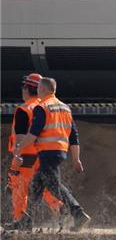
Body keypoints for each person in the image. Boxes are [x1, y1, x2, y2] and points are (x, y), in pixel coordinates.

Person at [14, 77, 90, 231]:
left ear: (42, 89)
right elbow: (74, 136)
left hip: (48, 152)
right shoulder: (65, 108)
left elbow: (33, 134)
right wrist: (76, 159)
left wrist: (19, 148)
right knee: (36, 186)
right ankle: (27, 221)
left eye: (38, 88)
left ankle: (78, 213)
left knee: (55, 186)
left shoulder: (42, 107)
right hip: (59, 152)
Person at [5, 73, 63, 229]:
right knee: (44, 187)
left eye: (23, 87)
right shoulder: (44, 107)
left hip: (25, 156)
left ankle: (21, 220)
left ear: (26, 89)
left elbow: (20, 138)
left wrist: (17, 157)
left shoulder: (24, 110)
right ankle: (61, 210)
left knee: (19, 189)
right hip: (43, 154)